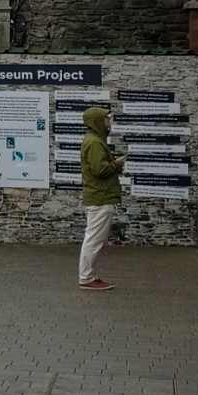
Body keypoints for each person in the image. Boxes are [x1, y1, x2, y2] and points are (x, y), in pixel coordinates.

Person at [78, 106, 127, 291]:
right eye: (107, 118)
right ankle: (86, 277)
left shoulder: (95, 140)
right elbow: (100, 170)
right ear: (98, 121)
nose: (110, 121)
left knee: (94, 239)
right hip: (100, 196)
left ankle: (87, 276)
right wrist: (116, 164)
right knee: (94, 240)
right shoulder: (95, 142)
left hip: (100, 195)